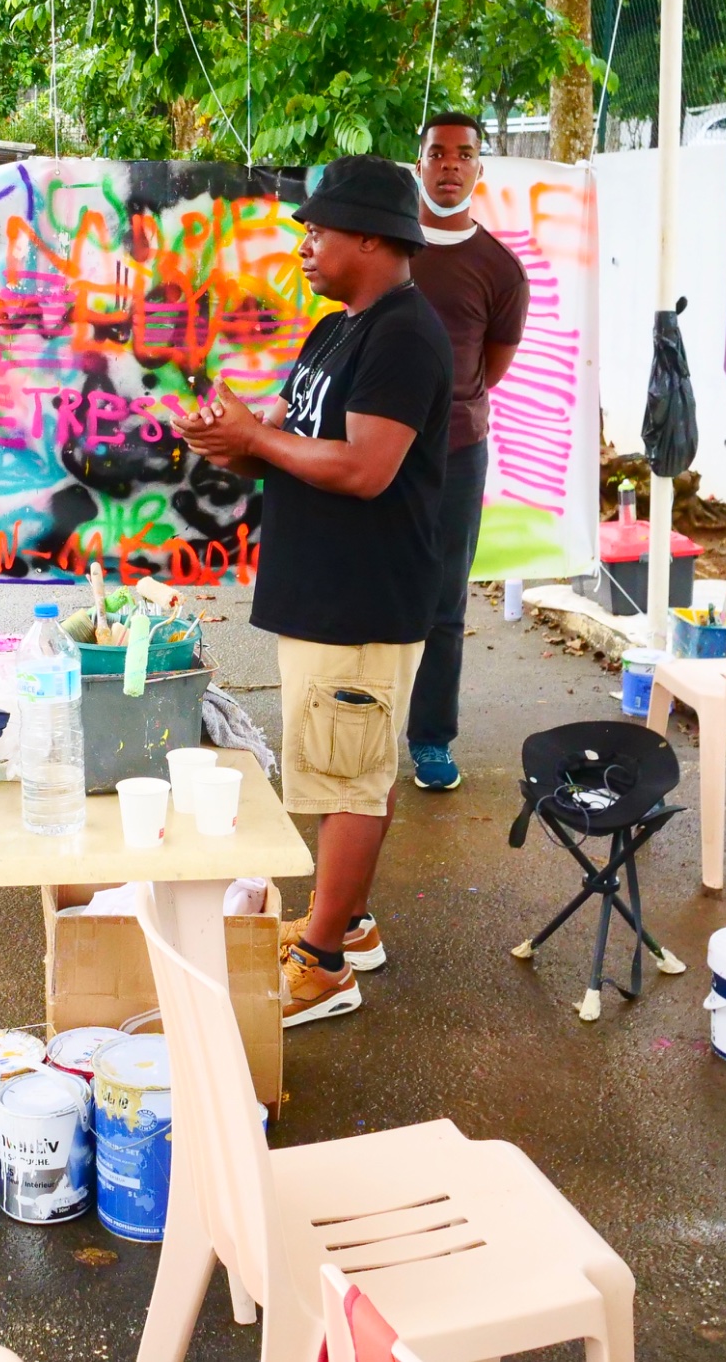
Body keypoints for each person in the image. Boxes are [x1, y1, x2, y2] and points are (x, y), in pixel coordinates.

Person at [175, 155, 451, 1027]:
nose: (303, 244)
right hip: (327, 590)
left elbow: (366, 468)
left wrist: (259, 438)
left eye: (318, 230)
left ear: (370, 238)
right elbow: (296, 434)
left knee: (348, 777)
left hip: (361, 597)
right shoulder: (339, 328)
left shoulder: (404, 335)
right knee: (349, 765)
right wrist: (236, 437)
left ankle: (324, 963)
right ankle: (349, 922)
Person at [404, 113, 530, 792]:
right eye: (437, 153)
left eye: (464, 154)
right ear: (419, 164)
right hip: (373, 447)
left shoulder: (500, 269)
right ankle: (358, 729)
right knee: (368, 588)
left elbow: (491, 365)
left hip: (457, 451)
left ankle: (431, 739)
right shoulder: (387, 247)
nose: (450, 164)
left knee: (444, 601)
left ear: (480, 168)